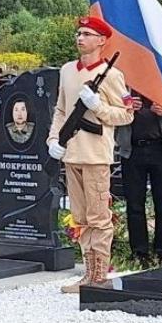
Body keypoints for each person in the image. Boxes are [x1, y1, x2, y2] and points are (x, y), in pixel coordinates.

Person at [47, 16, 134, 293]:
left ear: (101, 41)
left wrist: (97, 107)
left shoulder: (113, 75)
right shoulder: (67, 71)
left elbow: (126, 114)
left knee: (99, 218)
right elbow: (61, 110)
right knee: (80, 218)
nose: (80, 38)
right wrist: (53, 139)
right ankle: (88, 273)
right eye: (78, 33)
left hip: (96, 156)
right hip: (71, 154)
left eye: (86, 34)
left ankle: (99, 276)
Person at [116, 85, 162, 268]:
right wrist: (126, 107)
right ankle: (140, 253)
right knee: (134, 204)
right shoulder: (123, 78)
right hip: (132, 150)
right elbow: (109, 108)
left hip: (161, 148)